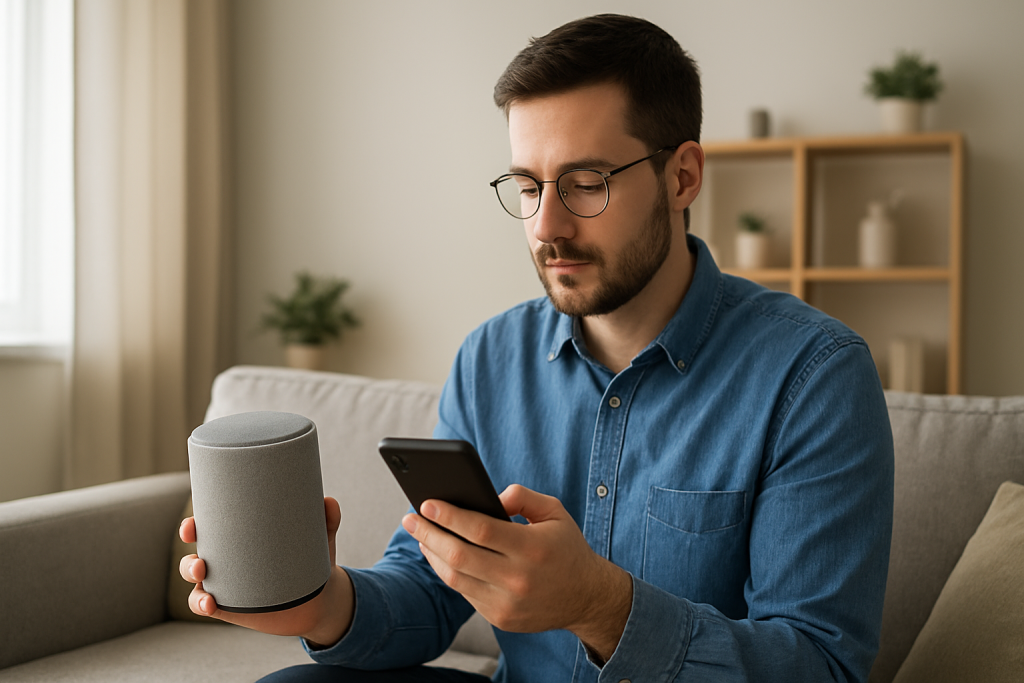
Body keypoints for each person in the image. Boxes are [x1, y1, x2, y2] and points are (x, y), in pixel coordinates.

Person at [179, 14, 894, 683]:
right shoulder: (490, 359)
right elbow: (430, 592)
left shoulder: (813, 375)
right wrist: (325, 603)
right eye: (527, 185)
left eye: (586, 184)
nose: (547, 225)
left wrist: (604, 607)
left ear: (682, 176)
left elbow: (822, 663)